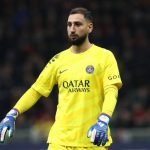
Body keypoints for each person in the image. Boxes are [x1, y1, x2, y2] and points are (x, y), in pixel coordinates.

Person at [0, 7, 122, 150]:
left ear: (90, 27)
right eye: (69, 24)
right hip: (59, 141)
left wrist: (104, 119)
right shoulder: (58, 60)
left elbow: (111, 91)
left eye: (77, 24)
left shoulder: (105, 56)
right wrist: (12, 114)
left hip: (94, 138)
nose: (72, 29)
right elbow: (36, 90)